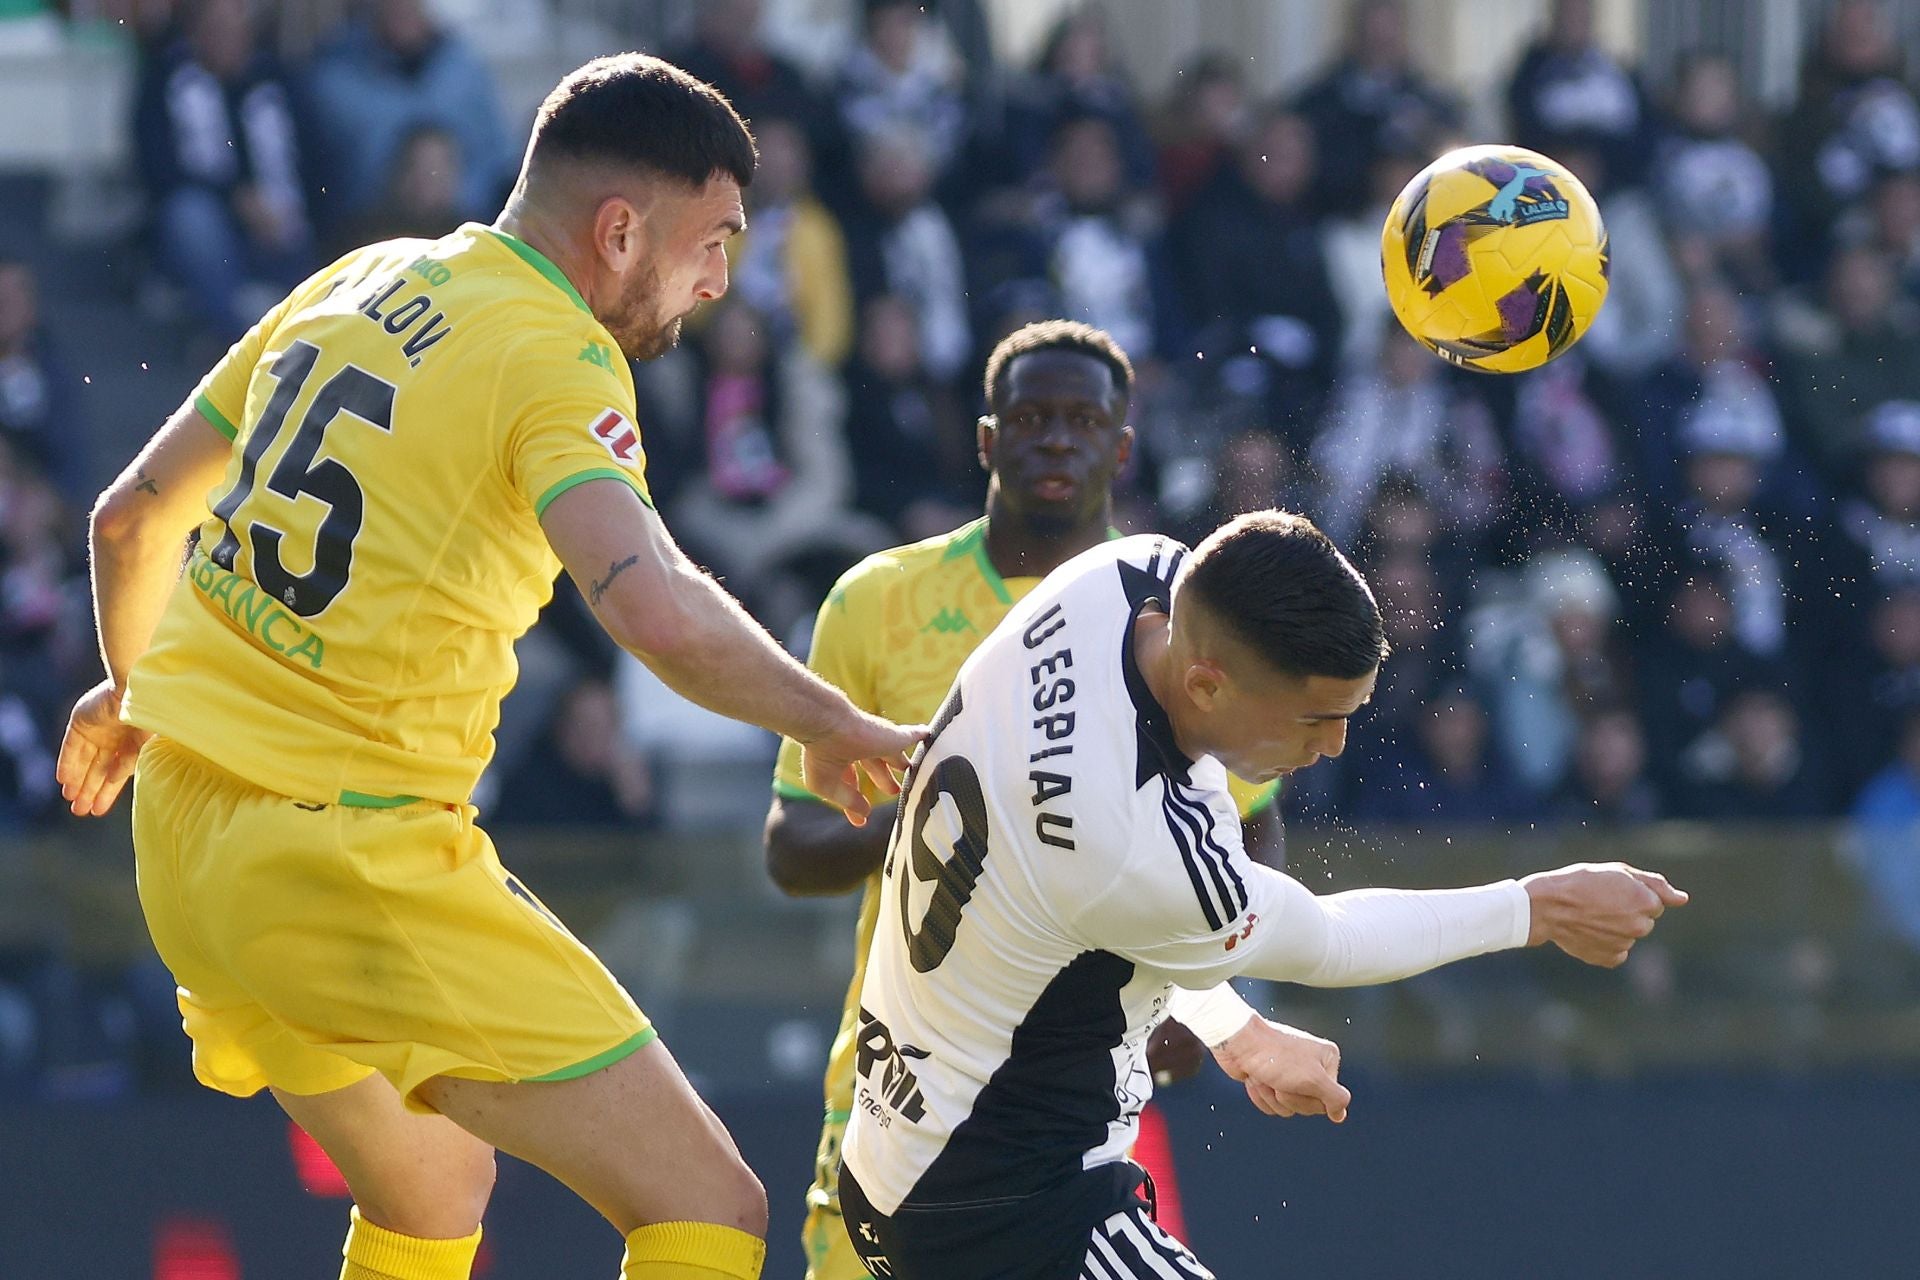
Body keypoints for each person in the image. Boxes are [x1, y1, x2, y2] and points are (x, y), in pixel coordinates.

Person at [57, 55, 920, 1280]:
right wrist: (828, 718)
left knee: (433, 1187)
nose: (722, 280)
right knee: (708, 1207)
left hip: (183, 837)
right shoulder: (559, 358)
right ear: (621, 231)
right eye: (716, 240)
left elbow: (126, 520)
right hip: (345, 850)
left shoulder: (361, 275)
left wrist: (134, 686)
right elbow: (655, 610)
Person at [836, 510, 1686, 1280]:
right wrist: (1537, 906)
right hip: (1005, 1208)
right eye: (1314, 719)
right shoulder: (1133, 840)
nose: (1333, 746)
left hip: (898, 1157)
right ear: (1207, 684)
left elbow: (1084, 911)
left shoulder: (1121, 578)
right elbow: (1329, 941)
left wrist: (1234, 1029)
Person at [761, 321, 1283, 1280]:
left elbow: (1250, 832)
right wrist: (951, 798)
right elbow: (792, 849)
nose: (1057, 440)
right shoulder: (876, 601)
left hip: (1086, 1095)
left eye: (1084, 420)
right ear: (986, 437)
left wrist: (1208, 996)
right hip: (902, 1079)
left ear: (1123, 447)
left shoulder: (1186, 609)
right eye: (1032, 417)